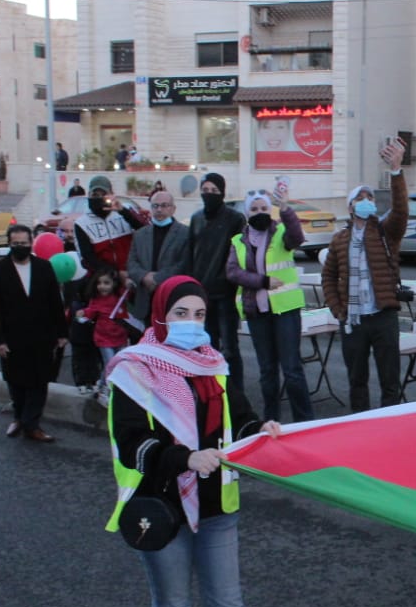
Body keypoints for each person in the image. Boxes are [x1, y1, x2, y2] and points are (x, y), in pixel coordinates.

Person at [104, 276, 295, 607]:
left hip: (216, 506)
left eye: (199, 314)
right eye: (180, 314)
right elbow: (131, 443)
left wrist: (261, 431)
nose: (191, 323)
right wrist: (184, 459)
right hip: (160, 508)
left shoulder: (215, 364)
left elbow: (240, 420)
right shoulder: (133, 369)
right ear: (159, 316)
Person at [321, 140, 409, 412]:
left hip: (383, 316)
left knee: (390, 380)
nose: (366, 202)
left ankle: (390, 422)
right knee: (357, 380)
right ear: (350, 207)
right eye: (360, 198)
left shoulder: (385, 232)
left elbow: (401, 210)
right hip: (353, 321)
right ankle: (360, 423)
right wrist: (338, 310)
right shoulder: (340, 240)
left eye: (370, 198)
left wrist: (396, 171)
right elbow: (328, 277)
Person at [225, 187, 313, 423]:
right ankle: (271, 421)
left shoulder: (281, 232)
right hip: (257, 312)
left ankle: (305, 421)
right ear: (247, 213)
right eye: (254, 209)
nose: (259, 212)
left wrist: (285, 208)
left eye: (264, 207)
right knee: (267, 372)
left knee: (292, 370)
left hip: (285, 311)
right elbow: (232, 272)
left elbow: (297, 237)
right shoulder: (238, 241)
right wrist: (262, 281)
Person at [0, 225, 68, 442]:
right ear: (9, 244)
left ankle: (32, 424)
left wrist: (62, 332)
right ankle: (19, 418)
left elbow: (55, 302)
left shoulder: (44, 267)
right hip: (12, 336)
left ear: (31, 243)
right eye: (16, 244)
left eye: (23, 243)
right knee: (16, 380)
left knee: (40, 381)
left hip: (42, 334)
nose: (20, 247)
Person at [189, 173, 247, 392]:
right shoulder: (196, 219)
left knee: (230, 348)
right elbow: (190, 253)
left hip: (226, 293)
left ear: (222, 192)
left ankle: (236, 393)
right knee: (207, 347)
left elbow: (239, 254)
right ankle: (213, 392)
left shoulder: (235, 219)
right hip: (202, 293)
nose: (209, 194)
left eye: (214, 191)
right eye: (205, 190)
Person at [127, 190, 191, 324]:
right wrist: (144, 276)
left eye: (164, 205)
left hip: (171, 299)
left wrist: (156, 279)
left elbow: (184, 264)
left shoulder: (185, 234)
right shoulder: (140, 235)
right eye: (155, 206)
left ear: (173, 209)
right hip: (145, 300)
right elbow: (132, 263)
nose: (159, 209)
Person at [77, 267, 131, 405]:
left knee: (114, 363)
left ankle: (101, 384)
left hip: (120, 337)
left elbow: (128, 295)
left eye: (106, 283)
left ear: (114, 284)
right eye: (99, 283)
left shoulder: (120, 297)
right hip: (103, 338)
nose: (102, 286)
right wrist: (83, 313)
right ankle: (105, 390)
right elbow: (90, 312)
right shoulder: (96, 300)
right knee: (110, 363)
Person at [74, 184, 143, 287]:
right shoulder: (81, 223)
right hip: (103, 280)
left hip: (131, 274)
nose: (99, 198)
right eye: (95, 195)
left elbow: (144, 230)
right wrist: (115, 273)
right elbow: (87, 256)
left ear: (111, 194)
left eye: (104, 194)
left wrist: (123, 211)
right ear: (89, 195)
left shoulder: (124, 212)